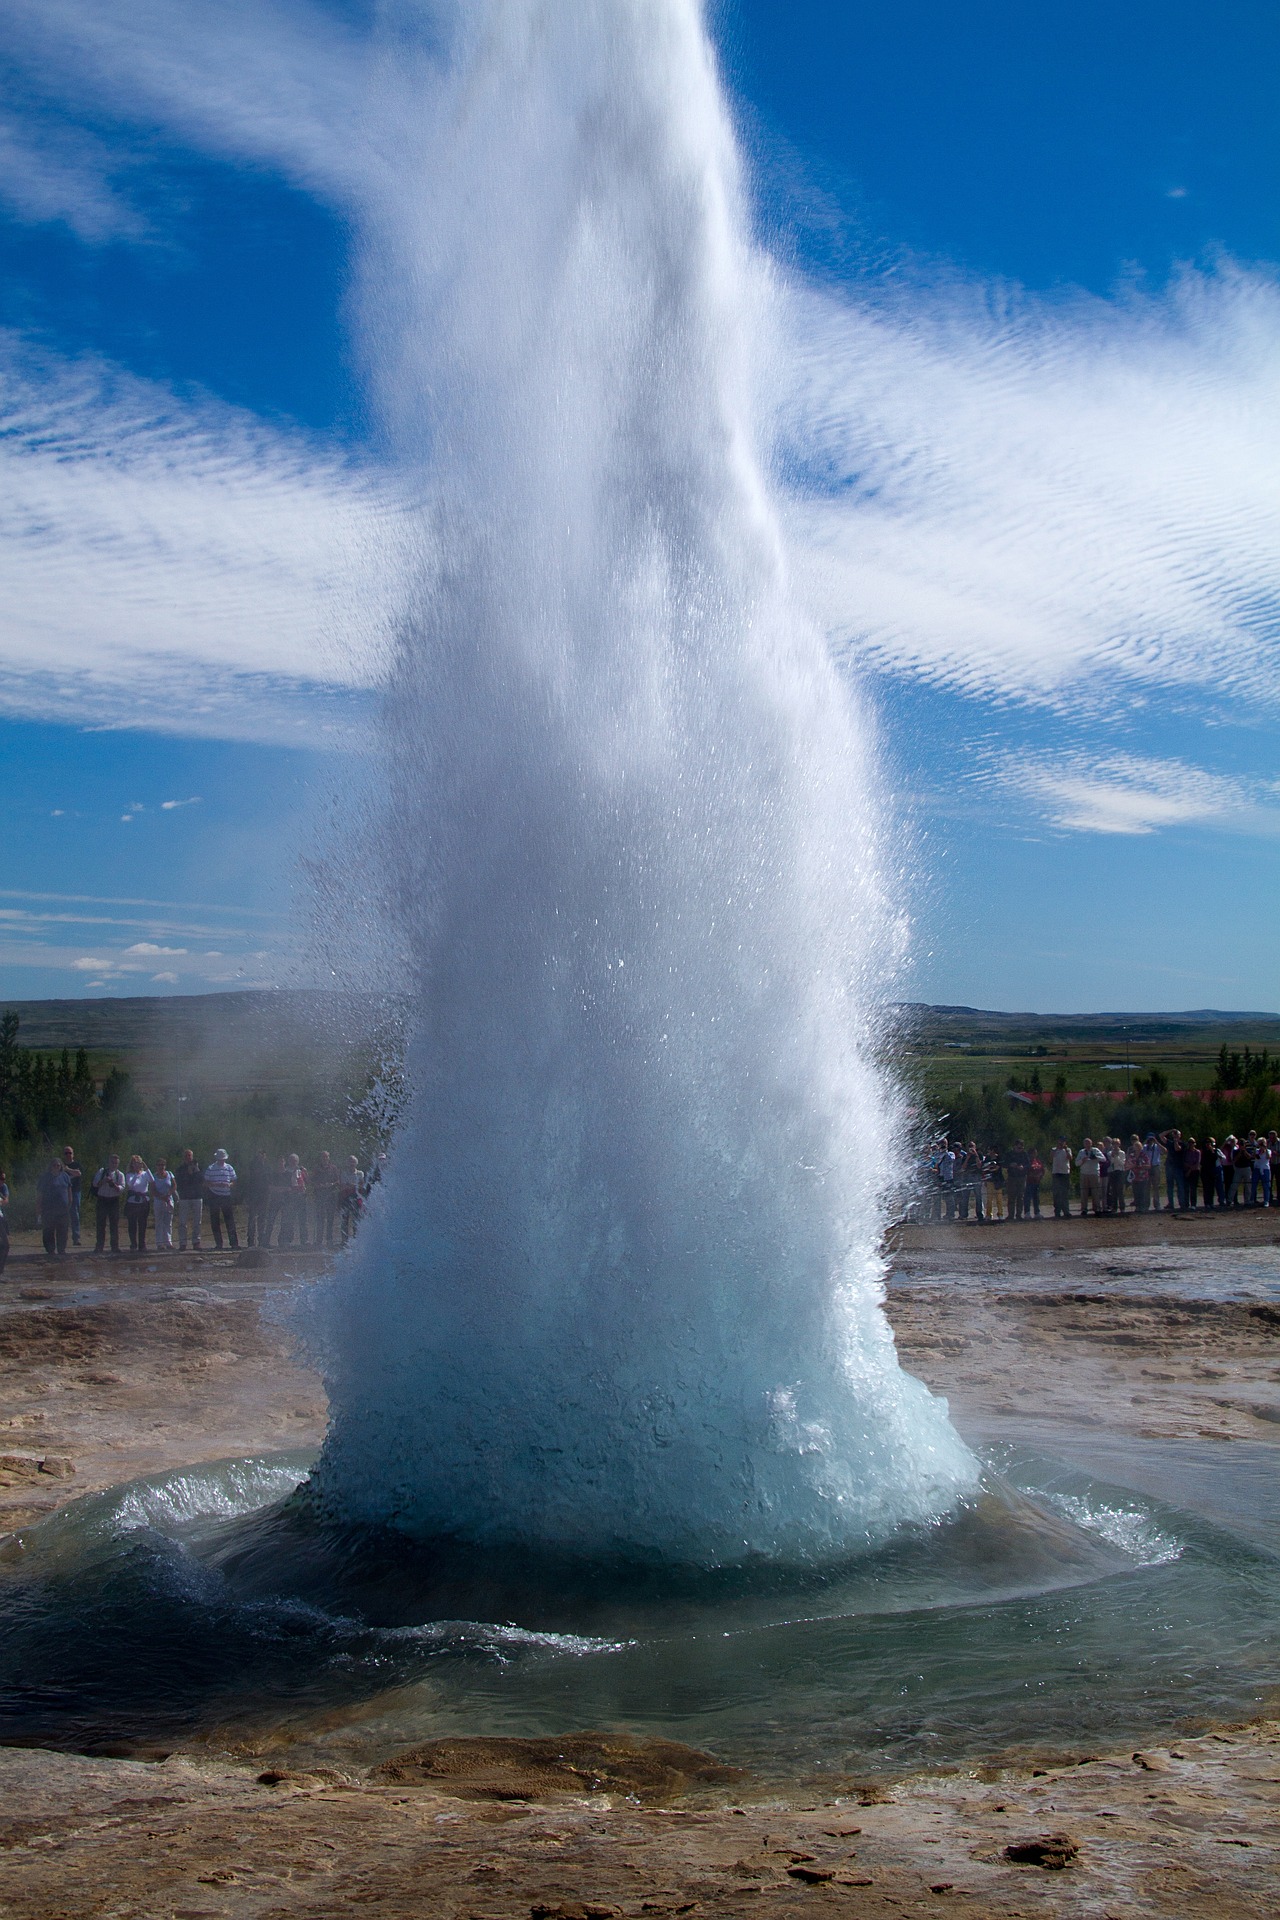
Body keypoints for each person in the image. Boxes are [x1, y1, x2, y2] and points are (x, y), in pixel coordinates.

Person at [36, 1155, 73, 1256]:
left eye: (58, 1165)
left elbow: (69, 1190)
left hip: (63, 1209)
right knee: (48, 1230)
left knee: (63, 1230)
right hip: (48, 1209)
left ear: (61, 1166)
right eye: (54, 1165)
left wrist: (70, 1202)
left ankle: (61, 1249)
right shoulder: (45, 1178)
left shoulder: (65, 1176)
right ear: (51, 1166)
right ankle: (50, 1250)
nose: (56, 1167)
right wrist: (38, 1208)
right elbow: (40, 1194)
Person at [203, 1149, 239, 1250]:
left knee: (229, 1220)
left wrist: (229, 1184)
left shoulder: (229, 1168)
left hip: (226, 1195)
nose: (221, 1160)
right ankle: (219, 1244)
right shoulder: (211, 1168)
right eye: (220, 1159)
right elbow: (205, 1183)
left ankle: (234, 1243)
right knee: (215, 1221)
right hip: (214, 1195)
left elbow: (234, 1181)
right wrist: (216, 1184)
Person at [92, 1154, 126, 1254]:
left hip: (114, 1201)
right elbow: (95, 1184)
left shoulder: (120, 1174)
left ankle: (115, 1247)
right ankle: (99, 1246)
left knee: (114, 1225)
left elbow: (121, 1189)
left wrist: (113, 1184)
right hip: (102, 1199)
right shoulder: (101, 1171)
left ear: (118, 1164)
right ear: (109, 1162)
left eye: (116, 1163)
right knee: (100, 1224)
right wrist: (104, 1181)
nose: (114, 1164)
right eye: (112, 1162)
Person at [241, 1149, 272, 1248]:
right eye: (260, 1154)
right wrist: (247, 1198)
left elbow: (269, 1182)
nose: (262, 1156)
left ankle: (262, 1241)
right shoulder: (253, 1166)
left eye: (263, 1155)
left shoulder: (267, 1167)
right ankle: (251, 1241)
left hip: (264, 1195)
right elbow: (249, 1182)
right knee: (252, 1219)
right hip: (254, 1195)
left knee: (262, 1219)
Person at [175, 1148, 204, 1251]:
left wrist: (196, 1171)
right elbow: (178, 1182)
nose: (188, 1157)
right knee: (182, 1221)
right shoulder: (180, 1169)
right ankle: (183, 1243)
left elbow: (202, 1180)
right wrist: (187, 1173)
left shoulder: (198, 1167)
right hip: (184, 1197)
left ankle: (196, 1241)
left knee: (197, 1221)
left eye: (190, 1156)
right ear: (184, 1157)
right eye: (186, 1156)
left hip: (197, 1196)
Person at [310, 1150, 340, 1248]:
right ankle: (318, 1241)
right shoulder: (316, 1169)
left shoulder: (334, 1168)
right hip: (320, 1196)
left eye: (326, 1157)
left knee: (330, 1219)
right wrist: (319, 1185)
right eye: (323, 1157)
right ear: (320, 1158)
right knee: (320, 1219)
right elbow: (312, 1181)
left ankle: (329, 1239)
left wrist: (331, 1184)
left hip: (331, 1196)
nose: (325, 1159)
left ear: (329, 1157)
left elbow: (338, 1180)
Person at [277, 1154, 308, 1246]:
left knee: (303, 1219)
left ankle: (304, 1240)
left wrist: (306, 1174)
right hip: (290, 1198)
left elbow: (307, 1181)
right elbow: (283, 1184)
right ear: (289, 1161)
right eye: (292, 1160)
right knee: (288, 1220)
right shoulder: (285, 1171)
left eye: (295, 1161)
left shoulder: (301, 1170)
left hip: (301, 1197)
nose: (294, 1162)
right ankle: (286, 1240)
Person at [124, 1155, 153, 1252]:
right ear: (132, 1164)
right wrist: (136, 1174)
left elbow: (152, 1180)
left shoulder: (145, 1174)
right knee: (132, 1224)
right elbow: (130, 1185)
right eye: (135, 1163)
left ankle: (142, 1244)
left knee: (142, 1223)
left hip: (143, 1201)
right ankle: (133, 1243)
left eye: (138, 1163)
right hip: (132, 1202)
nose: (137, 1165)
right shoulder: (129, 1174)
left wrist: (146, 1168)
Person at [150, 1157, 177, 1251]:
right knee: (159, 1222)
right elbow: (152, 1190)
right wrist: (161, 1197)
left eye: (163, 1165)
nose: (161, 1167)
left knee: (168, 1221)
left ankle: (168, 1242)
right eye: (159, 1165)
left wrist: (168, 1194)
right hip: (158, 1200)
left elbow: (174, 1185)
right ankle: (160, 1243)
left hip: (169, 1199)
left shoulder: (169, 1174)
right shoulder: (153, 1176)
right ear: (156, 1166)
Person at [1076, 1138, 1104, 1217]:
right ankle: (1084, 1209)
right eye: (1086, 1143)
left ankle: (1097, 1208)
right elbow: (1076, 1163)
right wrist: (1082, 1160)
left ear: (1091, 1144)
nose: (1087, 1145)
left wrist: (1096, 1157)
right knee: (1084, 1192)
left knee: (1095, 1191)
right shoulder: (1081, 1152)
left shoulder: (1095, 1150)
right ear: (1084, 1144)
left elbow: (1104, 1159)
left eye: (1089, 1143)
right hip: (1084, 1173)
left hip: (1094, 1173)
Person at [339, 1154, 364, 1241]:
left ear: (356, 1163)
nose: (351, 1164)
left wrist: (350, 1185)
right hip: (346, 1198)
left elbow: (361, 1186)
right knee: (345, 1219)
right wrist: (354, 1185)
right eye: (350, 1162)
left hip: (357, 1198)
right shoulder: (344, 1173)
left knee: (356, 1219)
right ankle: (344, 1240)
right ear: (347, 1163)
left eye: (353, 1162)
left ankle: (356, 1239)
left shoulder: (360, 1173)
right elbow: (343, 1186)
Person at [62, 1146, 83, 1248]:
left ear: (73, 1154)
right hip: (63, 1193)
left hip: (75, 1192)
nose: (68, 1155)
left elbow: (78, 1173)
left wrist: (68, 1169)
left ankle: (76, 1237)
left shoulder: (76, 1164)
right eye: (66, 1153)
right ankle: (63, 1238)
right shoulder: (60, 1165)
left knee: (75, 1214)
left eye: (70, 1153)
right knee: (63, 1215)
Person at [1005, 1141, 1030, 1221]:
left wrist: (1023, 1167)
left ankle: (1019, 1215)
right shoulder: (1009, 1154)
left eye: (1022, 1147)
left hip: (1021, 1177)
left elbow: (1028, 1164)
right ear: (1014, 1146)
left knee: (1020, 1197)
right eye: (1019, 1147)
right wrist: (1010, 1165)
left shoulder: (1024, 1154)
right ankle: (1010, 1215)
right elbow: (1004, 1163)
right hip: (1012, 1177)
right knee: (1011, 1196)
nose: (1020, 1149)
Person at [1127, 1134, 1151, 1213]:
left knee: (1142, 1192)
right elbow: (1128, 1164)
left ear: (1141, 1147)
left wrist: (1140, 1166)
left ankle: (1142, 1207)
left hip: (1143, 1177)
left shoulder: (1144, 1155)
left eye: (1138, 1147)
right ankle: (1137, 1206)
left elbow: (1148, 1165)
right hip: (1134, 1177)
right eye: (1135, 1147)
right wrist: (1132, 1166)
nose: (1137, 1148)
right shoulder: (1131, 1155)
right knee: (1136, 1192)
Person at [1105, 1137, 1128, 1215]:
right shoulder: (1109, 1153)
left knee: (1120, 1191)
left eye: (1117, 1144)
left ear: (1119, 1144)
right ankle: (1114, 1207)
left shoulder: (1122, 1153)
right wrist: (1113, 1156)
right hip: (1112, 1172)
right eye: (1114, 1144)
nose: (1115, 1145)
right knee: (1113, 1191)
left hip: (1120, 1172)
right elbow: (1111, 1162)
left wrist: (1116, 1157)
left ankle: (1122, 1207)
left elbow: (1122, 1163)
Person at [1050, 1138, 1072, 1218]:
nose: (1061, 1143)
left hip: (1065, 1173)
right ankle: (1057, 1211)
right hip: (1056, 1173)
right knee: (1057, 1193)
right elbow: (1051, 1157)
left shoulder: (1068, 1150)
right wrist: (1056, 1149)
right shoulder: (1053, 1149)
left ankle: (1066, 1211)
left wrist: (1066, 1150)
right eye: (1060, 1142)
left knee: (1065, 1193)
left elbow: (1070, 1158)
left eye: (1063, 1142)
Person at [1182, 1136, 1202, 1211]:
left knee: (1193, 1188)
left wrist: (1189, 1170)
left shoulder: (1197, 1152)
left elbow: (1197, 1163)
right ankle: (1186, 1203)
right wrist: (1188, 1168)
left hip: (1194, 1172)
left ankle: (1193, 1204)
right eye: (1190, 1142)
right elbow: (1184, 1162)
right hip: (1186, 1170)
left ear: (1195, 1144)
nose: (1191, 1144)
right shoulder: (1186, 1152)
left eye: (1192, 1142)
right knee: (1186, 1188)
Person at [1025, 1146, 1044, 1218]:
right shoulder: (1028, 1161)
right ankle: (1027, 1212)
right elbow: (1026, 1170)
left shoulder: (1038, 1161)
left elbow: (1042, 1169)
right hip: (1029, 1182)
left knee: (1036, 1198)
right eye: (1033, 1153)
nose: (1035, 1154)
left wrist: (1040, 1175)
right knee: (1028, 1197)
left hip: (1037, 1182)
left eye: (1036, 1153)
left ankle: (1037, 1212)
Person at [0, 1166, 9, 1277]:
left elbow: (6, 1200)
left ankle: (0, 1271)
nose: (3, 1182)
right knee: (5, 1245)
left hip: (1, 1217)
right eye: (2, 1179)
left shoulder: (3, 1187)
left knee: (5, 1245)